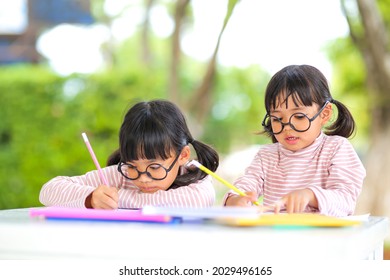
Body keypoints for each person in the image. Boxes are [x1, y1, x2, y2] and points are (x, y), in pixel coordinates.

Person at [223, 65, 366, 217]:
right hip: (276, 237)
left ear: (324, 114)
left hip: (324, 239)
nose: (287, 127)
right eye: (277, 118)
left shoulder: (337, 149)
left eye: (299, 116)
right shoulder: (266, 156)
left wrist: (310, 195)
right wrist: (234, 200)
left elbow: (346, 200)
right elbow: (247, 184)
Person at [40, 99, 219, 209]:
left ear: (183, 155)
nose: (143, 179)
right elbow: (48, 191)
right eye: (133, 165)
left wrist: (118, 198)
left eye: (154, 167)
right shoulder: (123, 174)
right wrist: (91, 198)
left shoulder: (195, 177)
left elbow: (195, 201)